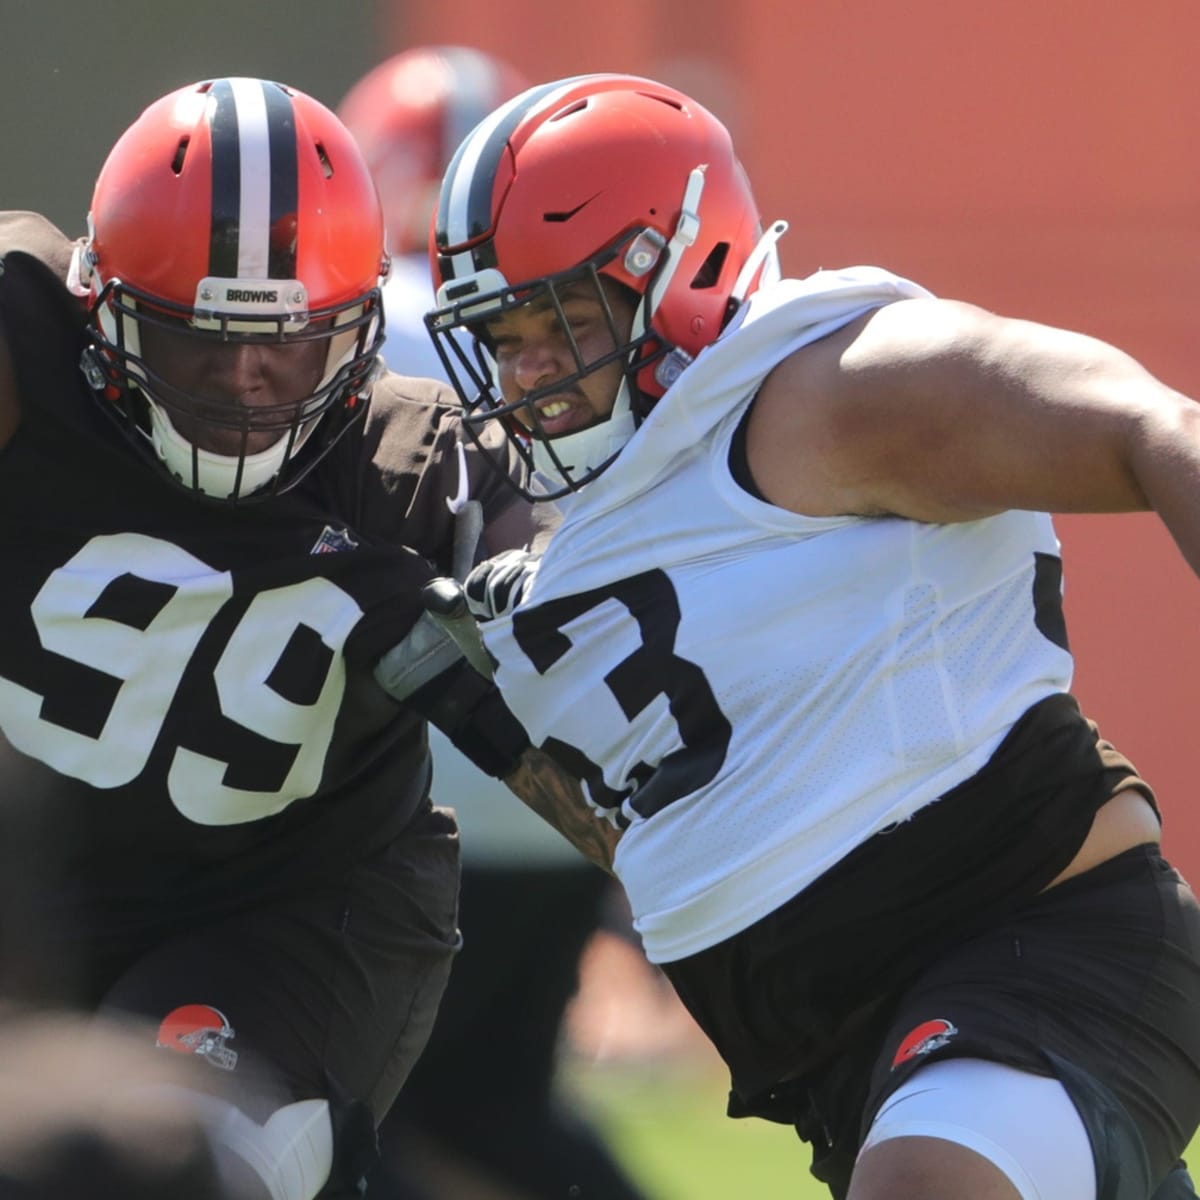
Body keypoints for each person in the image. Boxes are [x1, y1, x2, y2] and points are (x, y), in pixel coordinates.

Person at [418, 73, 1200, 1200]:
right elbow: (666, 806)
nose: (531, 367)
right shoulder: (571, 522)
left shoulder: (826, 390)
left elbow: (1148, 424)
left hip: (1037, 949)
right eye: (504, 331)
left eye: (567, 318)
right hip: (840, 1057)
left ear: (685, 270)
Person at [0, 76, 549, 1199]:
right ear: (96, 305)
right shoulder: (19, 355)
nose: (245, 381)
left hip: (287, 909)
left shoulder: (415, 475)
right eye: (196, 340)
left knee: (155, 1172)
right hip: (35, 874)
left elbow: (575, 696)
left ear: (357, 333)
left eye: (287, 345)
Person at [338, 48, 648, 1200]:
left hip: (432, 777)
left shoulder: (361, 326)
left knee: (367, 1114)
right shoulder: (589, 321)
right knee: (498, 1106)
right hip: (580, 770)